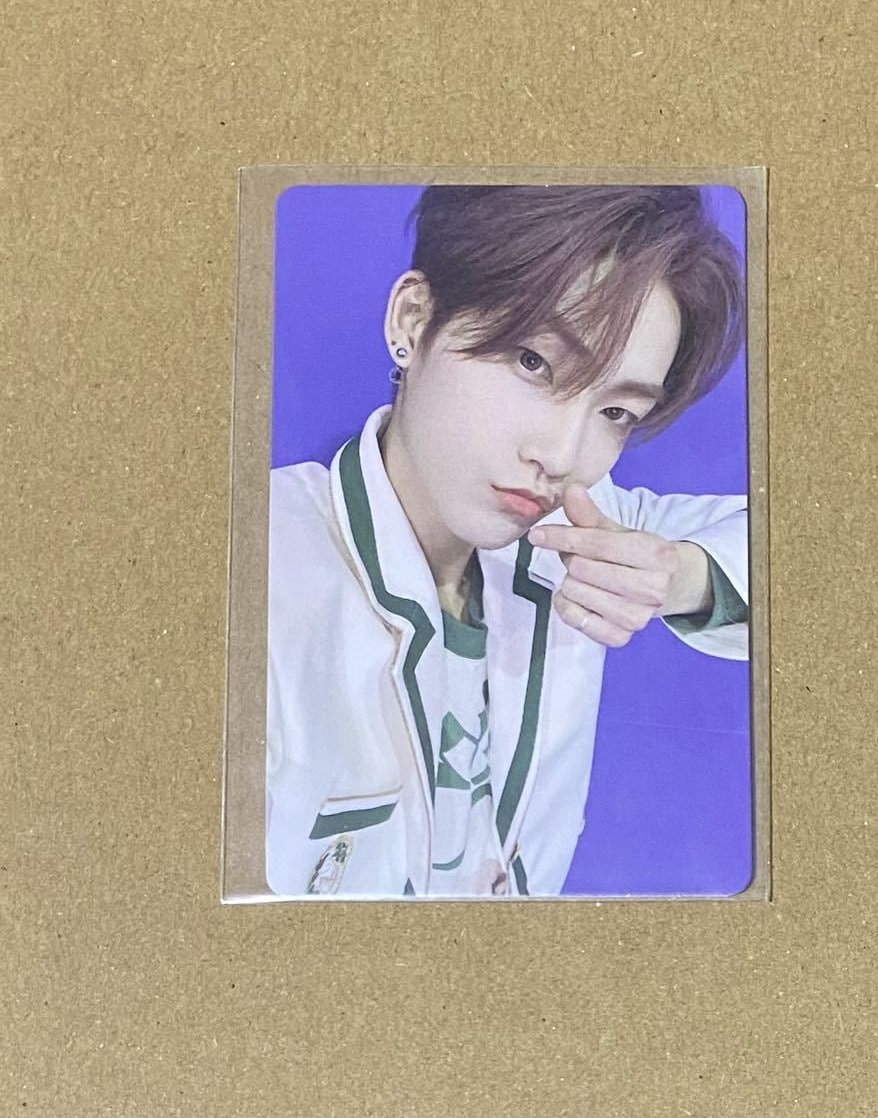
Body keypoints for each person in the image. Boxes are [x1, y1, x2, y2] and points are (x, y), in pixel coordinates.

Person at [265, 185, 750, 898]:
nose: (562, 454)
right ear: (413, 320)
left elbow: (845, 564)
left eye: (616, 411)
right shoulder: (256, 576)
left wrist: (681, 578)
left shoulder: (580, 533)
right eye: (533, 363)